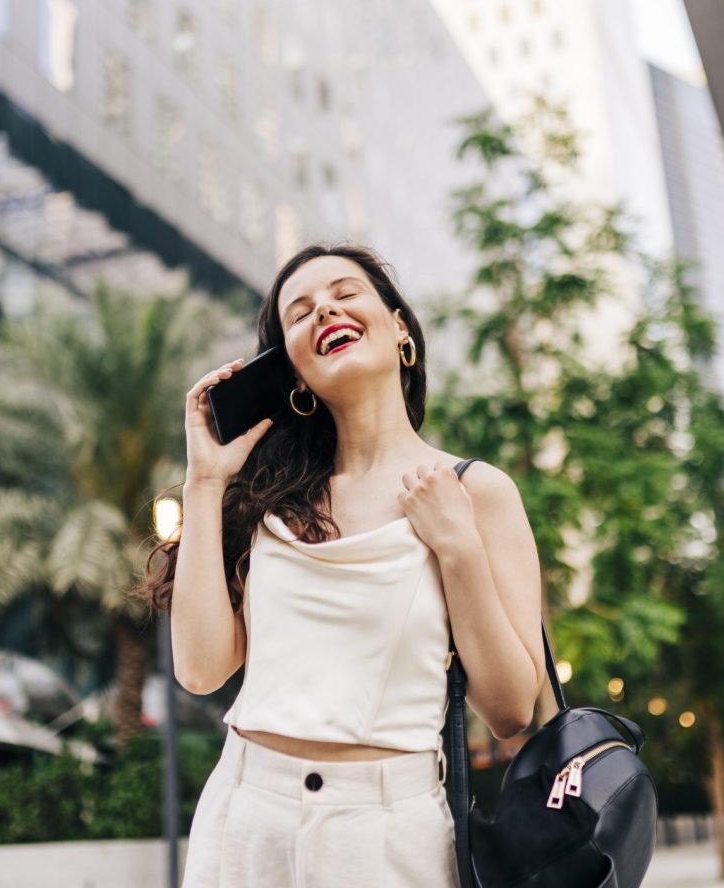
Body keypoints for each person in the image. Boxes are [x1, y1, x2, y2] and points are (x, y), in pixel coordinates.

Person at [140, 243, 545, 887]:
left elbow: (514, 710)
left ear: (399, 327)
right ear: (294, 371)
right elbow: (199, 668)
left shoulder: (476, 492)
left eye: (345, 292)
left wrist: (458, 547)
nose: (324, 309)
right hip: (246, 818)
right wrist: (205, 483)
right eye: (299, 313)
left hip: (387, 835)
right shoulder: (268, 499)